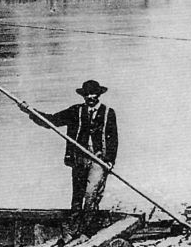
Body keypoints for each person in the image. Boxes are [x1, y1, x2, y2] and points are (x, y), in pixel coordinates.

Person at [20, 79, 118, 214]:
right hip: (79, 158)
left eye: (93, 94)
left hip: (98, 160)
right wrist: (30, 111)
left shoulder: (108, 113)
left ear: (98, 95)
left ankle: (87, 230)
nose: (90, 97)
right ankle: (74, 228)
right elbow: (52, 121)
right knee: (77, 196)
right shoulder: (75, 111)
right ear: (83, 96)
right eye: (87, 94)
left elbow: (113, 139)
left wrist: (110, 161)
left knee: (91, 195)